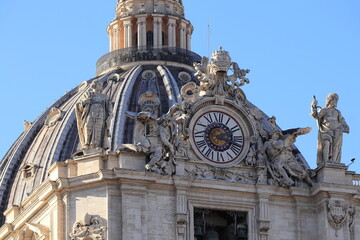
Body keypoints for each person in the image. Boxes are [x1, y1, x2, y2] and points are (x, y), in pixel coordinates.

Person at [311, 93, 349, 165]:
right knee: (326, 143)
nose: (336, 102)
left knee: (336, 146)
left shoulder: (337, 112)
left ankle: (334, 162)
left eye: (337, 100)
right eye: (335, 100)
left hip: (336, 132)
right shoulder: (324, 110)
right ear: (330, 100)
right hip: (326, 131)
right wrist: (313, 106)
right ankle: (326, 162)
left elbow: (342, 122)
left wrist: (344, 128)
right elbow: (316, 115)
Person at [76, 80, 112, 152]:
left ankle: (97, 145)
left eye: (101, 84)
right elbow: (79, 106)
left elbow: (109, 108)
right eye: (99, 84)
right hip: (90, 112)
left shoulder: (104, 97)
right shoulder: (87, 95)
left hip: (101, 113)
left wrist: (109, 115)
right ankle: (87, 144)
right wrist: (86, 102)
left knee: (98, 128)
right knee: (88, 126)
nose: (101, 86)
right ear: (94, 85)